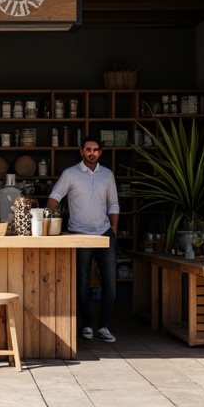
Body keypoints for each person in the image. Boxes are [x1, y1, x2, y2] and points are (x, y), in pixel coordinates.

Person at [47, 136, 119, 343]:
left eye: (95, 150)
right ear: (81, 151)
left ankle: (104, 326)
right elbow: (54, 197)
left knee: (110, 284)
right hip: (79, 234)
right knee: (82, 282)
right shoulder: (70, 174)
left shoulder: (107, 175)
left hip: (105, 233)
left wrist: (113, 229)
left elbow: (113, 204)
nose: (91, 153)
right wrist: (47, 218)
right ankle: (87, 324)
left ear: (100, 153)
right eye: (88, 149)